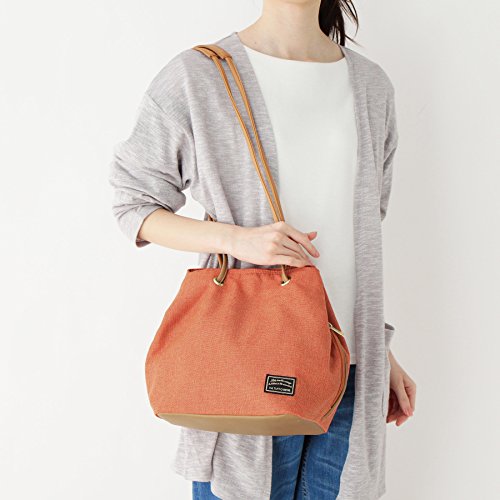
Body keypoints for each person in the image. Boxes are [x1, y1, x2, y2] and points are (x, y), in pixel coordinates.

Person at [108, 1, 416, 498]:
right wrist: (236, 238)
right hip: (248, 358)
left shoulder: (371, 86)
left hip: (349, 369)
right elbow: (134, 203)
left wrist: (380, 350)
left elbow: (358, 237)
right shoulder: (200, 76)